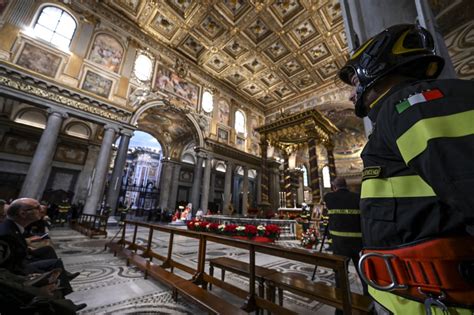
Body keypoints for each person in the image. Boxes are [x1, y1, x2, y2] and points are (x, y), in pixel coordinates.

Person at [338, 24, 474, 314]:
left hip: (438, 301)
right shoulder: (399, 111)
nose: (351, 95)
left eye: (353, 81)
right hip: (413, 297)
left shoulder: (410, 104)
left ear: (371, 68)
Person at [0, 198, 80, 297]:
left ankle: (63, 290)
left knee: (49, 252)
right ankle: (60, 298)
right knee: (53, 269)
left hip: (21, 263)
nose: (41, 210)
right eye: (37, 208)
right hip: (18, 271)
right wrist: (28, 278)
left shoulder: (14, 226)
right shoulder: (6, 233)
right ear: (23, 214)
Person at [323, 177, 367, 315]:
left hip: (339, 243)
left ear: (334, 187)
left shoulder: (329, 197)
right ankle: (368, 303)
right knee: (363, 273)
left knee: (340, 275)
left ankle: (341, 307)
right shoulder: (357, 197)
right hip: (358, 242)